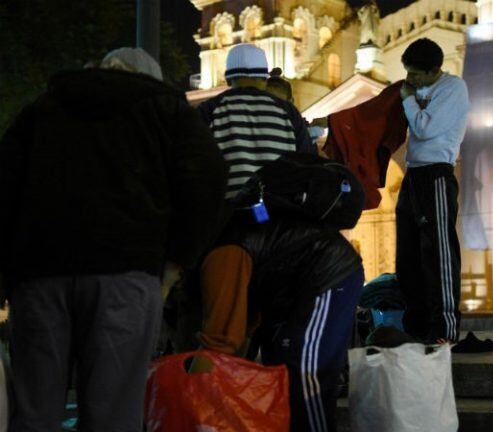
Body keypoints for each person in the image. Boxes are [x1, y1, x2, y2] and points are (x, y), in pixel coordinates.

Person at [0, 47, 227, 432]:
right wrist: (177, 261)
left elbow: (4, 186)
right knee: (113, 411)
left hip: (40, 274)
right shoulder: (167, 112)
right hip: (126, 273)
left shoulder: (43, 109)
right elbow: (207, 178)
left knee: (34, 409)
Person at [195, 44, 363, 432]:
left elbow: (197, 172)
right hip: (287, 223)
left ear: (228, 77)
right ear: (266, 74)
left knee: (239, 335)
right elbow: (306, 164)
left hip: (235, 220)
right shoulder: (287, 112)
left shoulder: (210, 111)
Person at [395, 38, 470, 344]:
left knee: (438, 252)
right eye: (408, 73)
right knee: (408, 254)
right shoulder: (416, 89)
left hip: (436, 175)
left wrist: (408, 99)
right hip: (413, 176)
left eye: (416, 74)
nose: (410, 80)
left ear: (434, 70)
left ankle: (444, 327)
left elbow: (425, 129)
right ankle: (416, 324)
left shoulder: (453, 89)